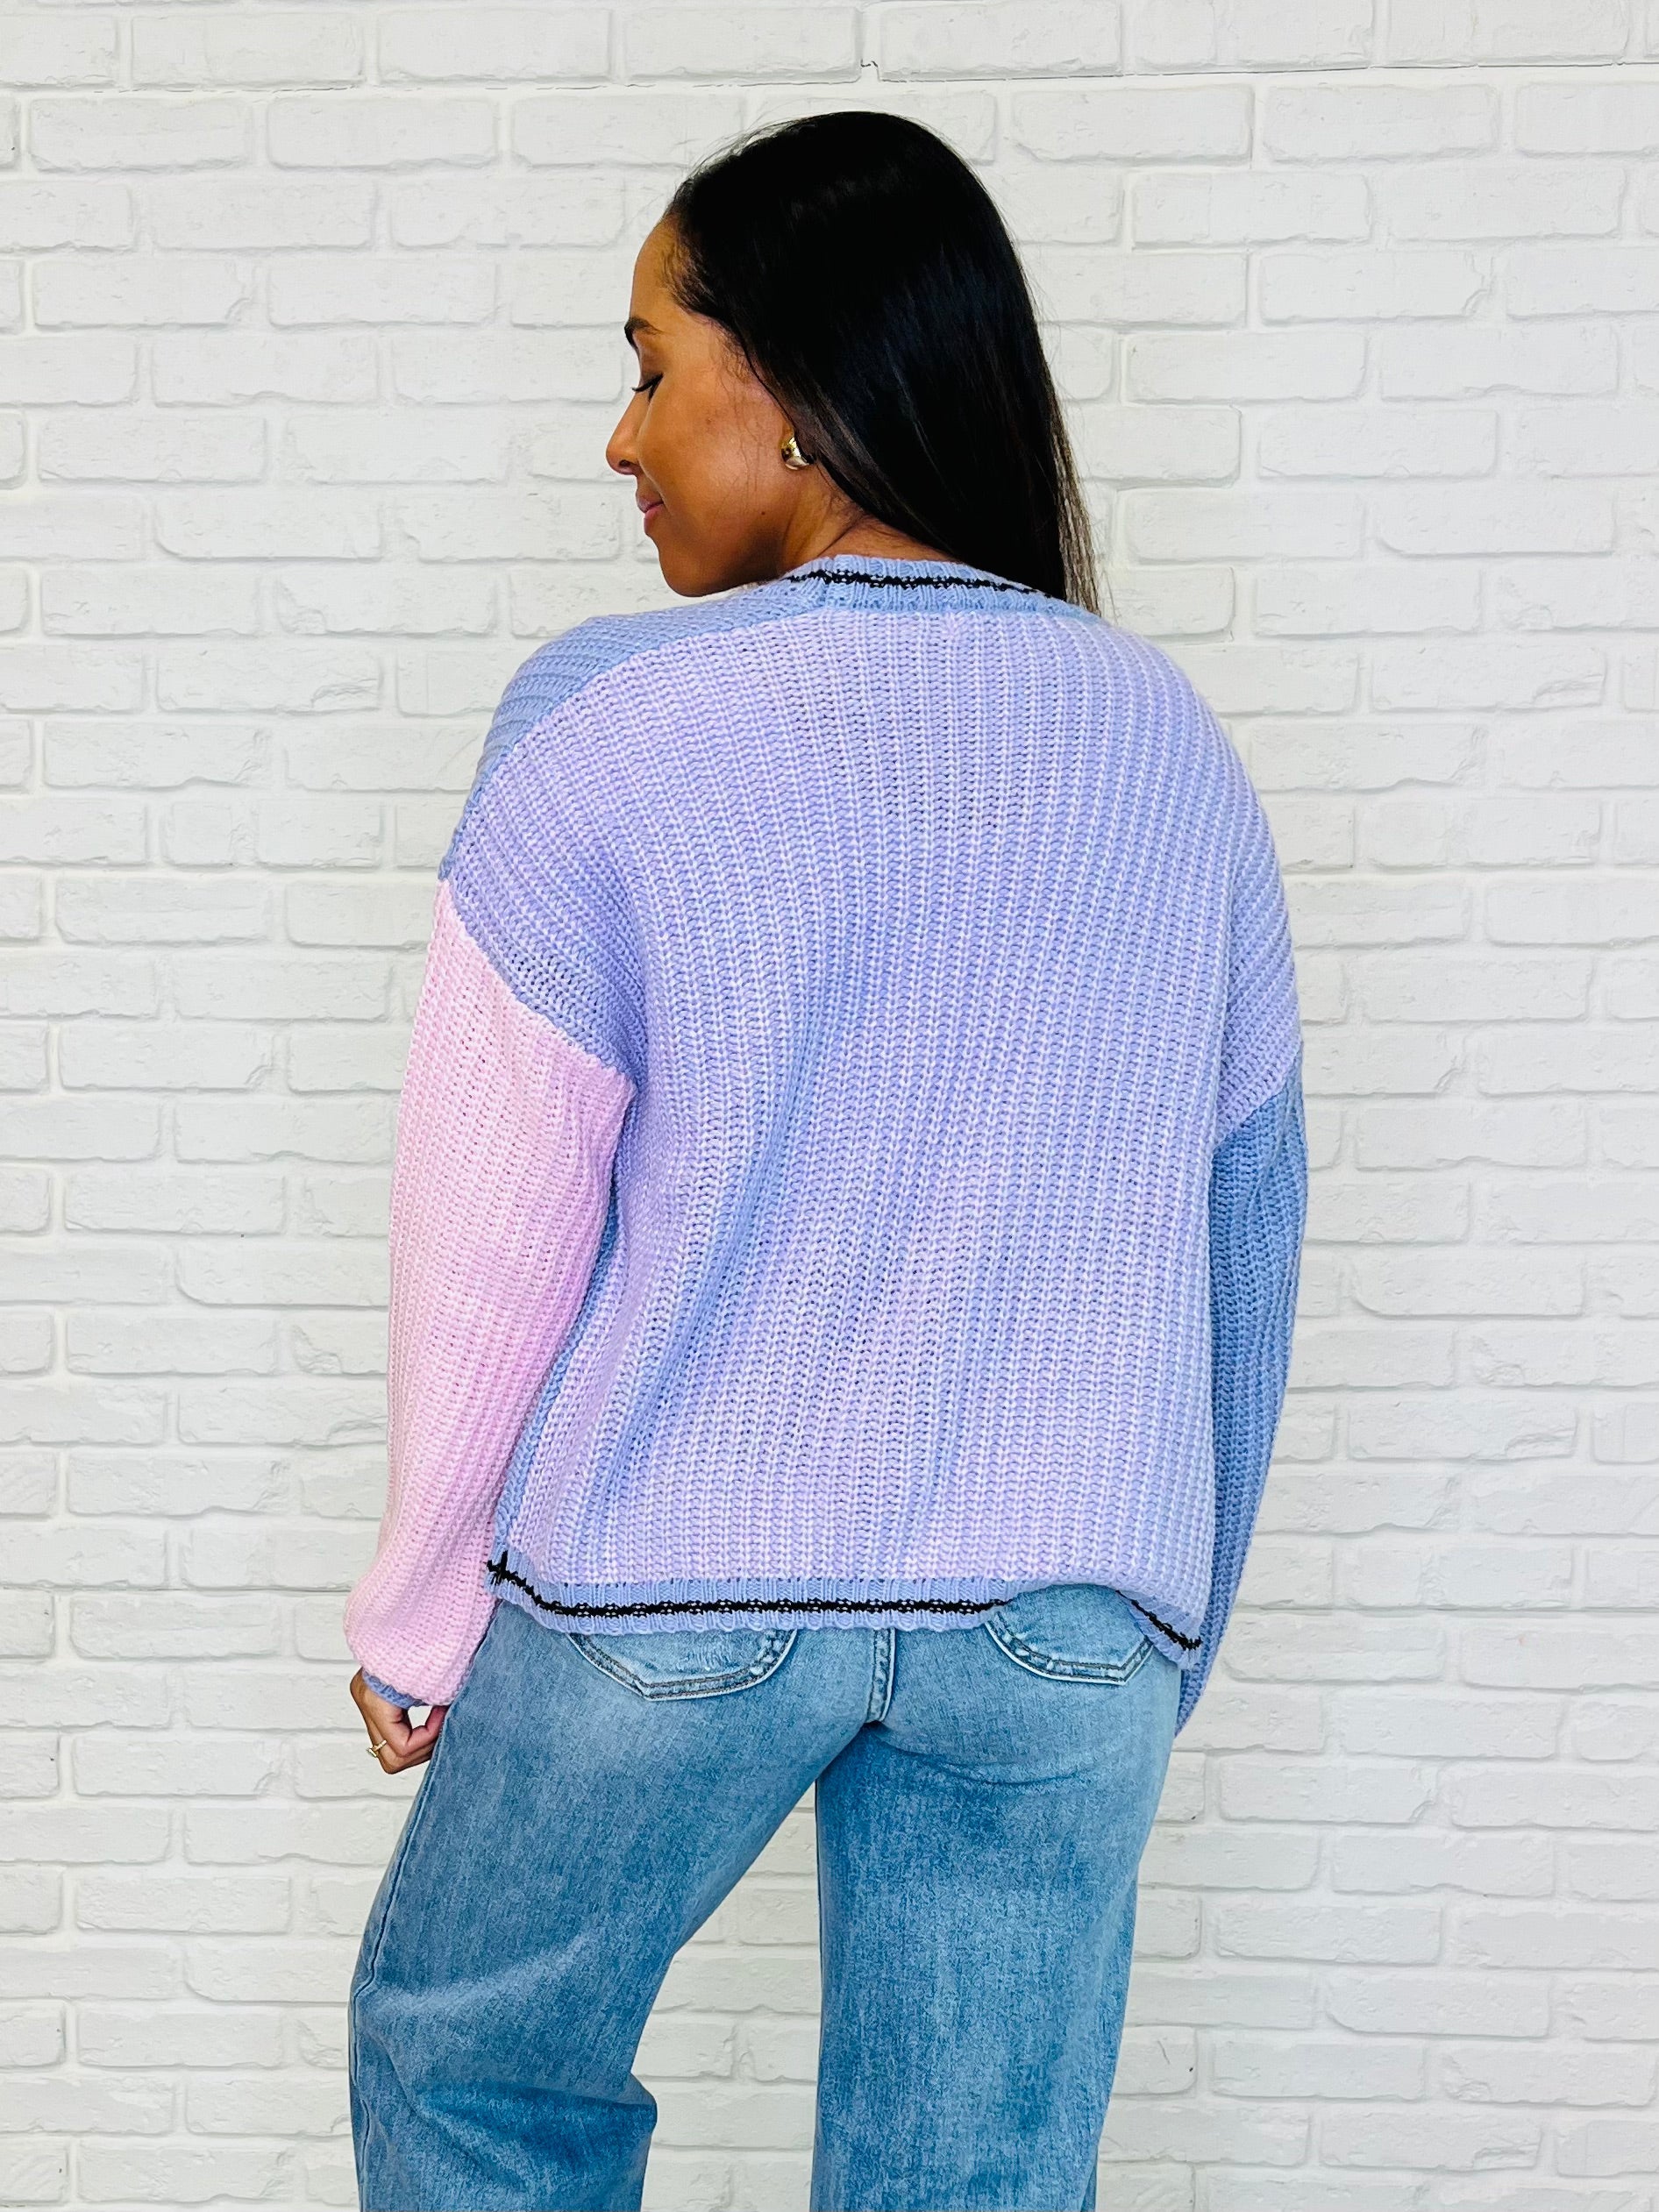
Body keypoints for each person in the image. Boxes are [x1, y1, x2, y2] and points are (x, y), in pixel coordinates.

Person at [341, 108, 1307, 2212]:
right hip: (1065, 1607)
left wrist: (422, 1602)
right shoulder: (1170, 749)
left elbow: (491, 1213)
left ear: (785, 387)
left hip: (669, 1575)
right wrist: (1151, 1627)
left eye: (648, 364)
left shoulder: (603, 717)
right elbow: (1242, 1231)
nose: (620, 437)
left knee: (471, 2060)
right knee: (970, 2182)